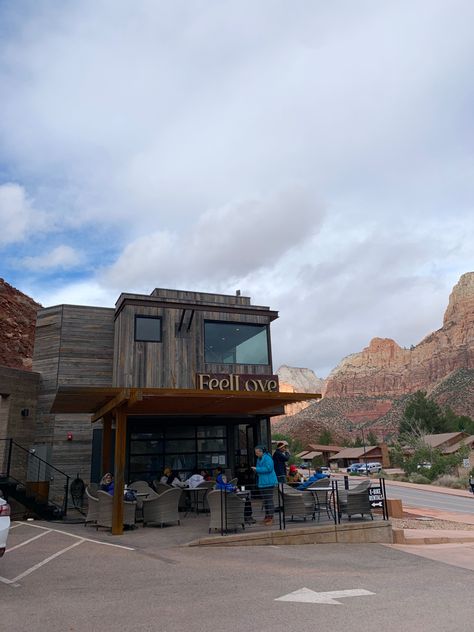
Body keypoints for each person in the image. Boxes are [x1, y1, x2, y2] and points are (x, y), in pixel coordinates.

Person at [252, 445, 278, 525]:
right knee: (265, 500)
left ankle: (270, 517)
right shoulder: (259, 459)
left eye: (257, 452)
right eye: (255, 453)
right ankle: (267, 517)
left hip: (269, 482)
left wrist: (257, 469)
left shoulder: (267, 458)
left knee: (269, 500)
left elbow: (269, 469)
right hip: (262, 482)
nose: (256, 454)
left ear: (261, 451)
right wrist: (256, 470)